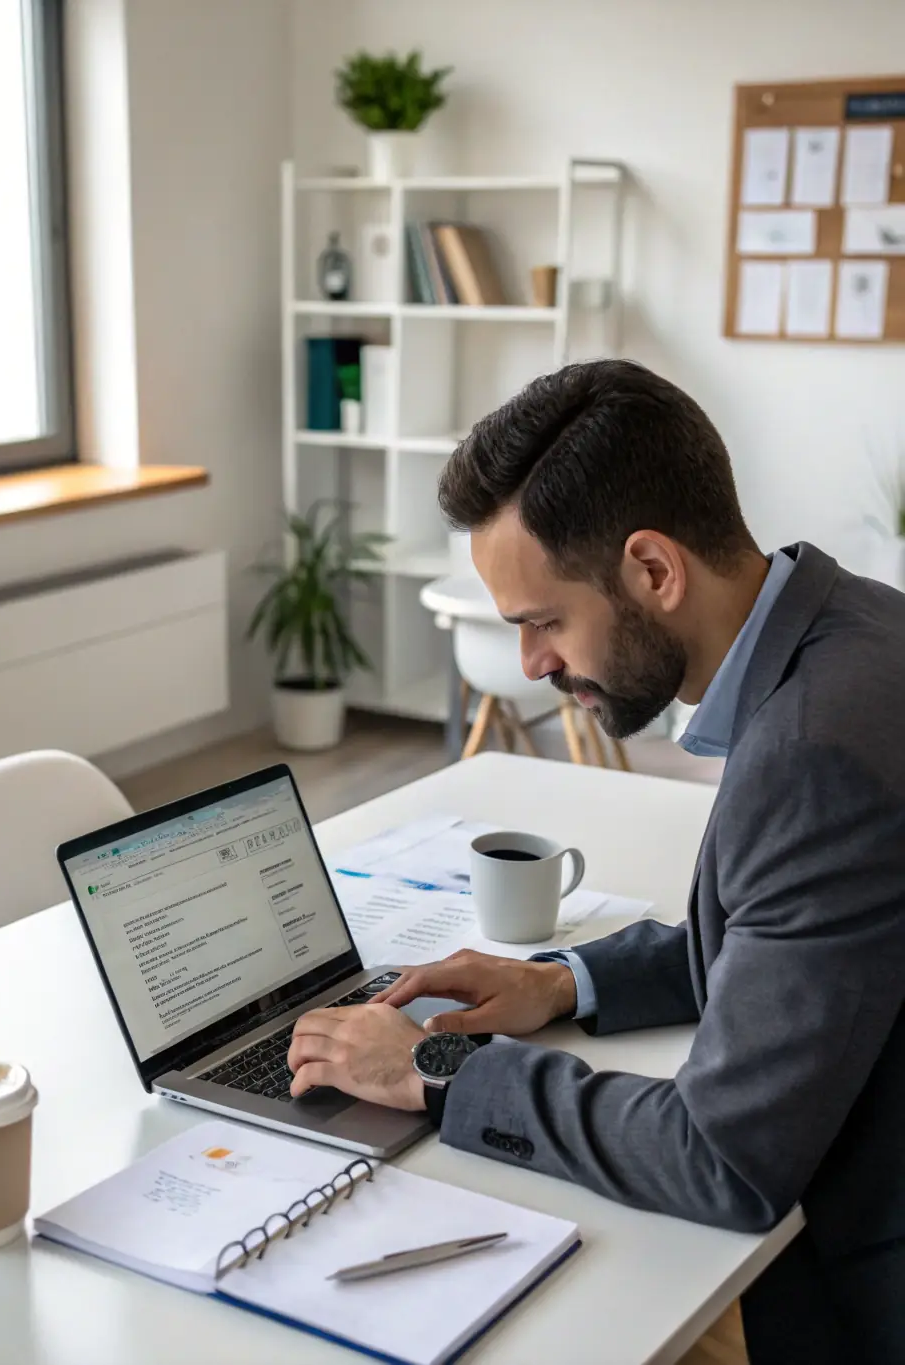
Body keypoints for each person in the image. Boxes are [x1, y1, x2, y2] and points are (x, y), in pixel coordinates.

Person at [286, 360, 905, 1365]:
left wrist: (432, 1067)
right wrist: (559, 981)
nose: (532, 664)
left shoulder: (813, 752)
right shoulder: (862, 628)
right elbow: (783, 943)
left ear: (654, 570)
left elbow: (720, 1157)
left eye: (544, 621)